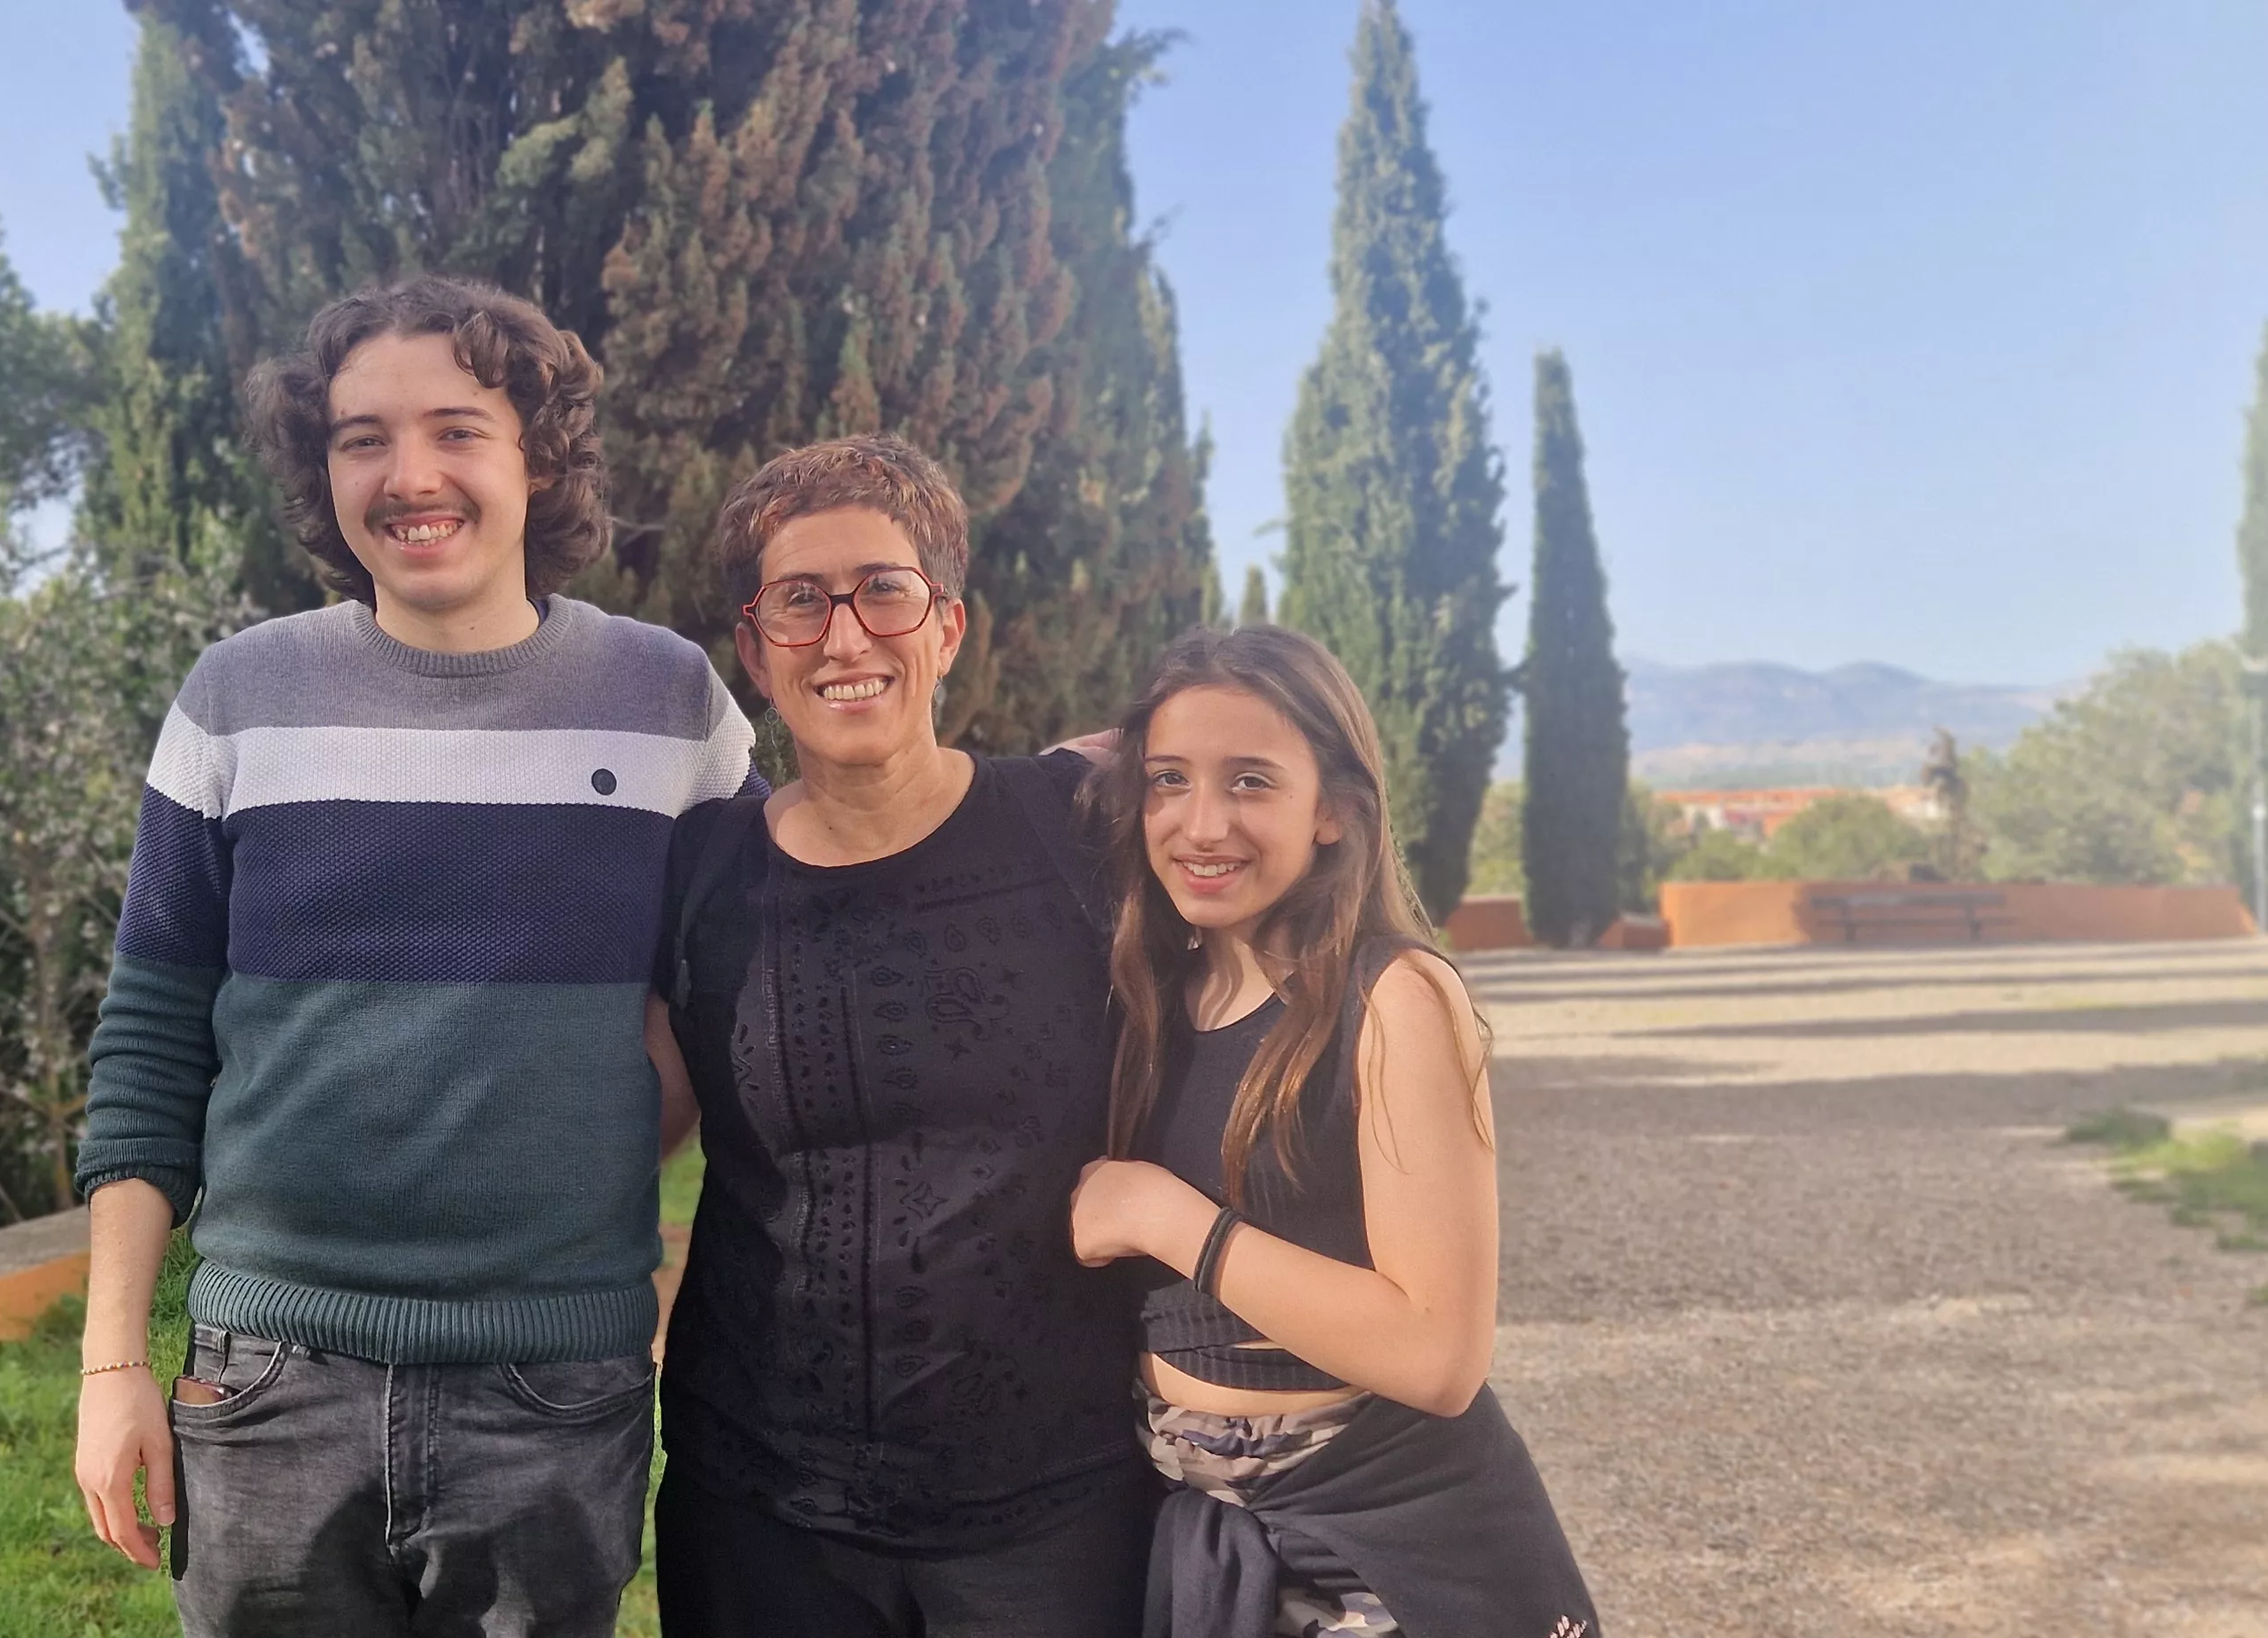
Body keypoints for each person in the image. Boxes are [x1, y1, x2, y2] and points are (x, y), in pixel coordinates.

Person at [66, 275, 758, 1637]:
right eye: (361, 437)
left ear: (538, 456)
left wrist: (596, 1112)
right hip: (264, 1384)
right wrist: (110, 1367)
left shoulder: (675, 705)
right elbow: (149, 1048)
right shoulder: (235, 699)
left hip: (554, 1387)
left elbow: (735, 1015)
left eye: (457, 428)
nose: (408, 474)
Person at [651, 434, 1154, 1638]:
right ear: (756, 648)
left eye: (885, 590)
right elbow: (624, 1108)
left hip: (1051, 1511)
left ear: (947, 628)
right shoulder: (701, 872)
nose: (845, 634)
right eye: (799, 601)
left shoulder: (1077, 834)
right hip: (763, 1512)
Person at [1065, 625, 1598, 1637]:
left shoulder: (1394, 997)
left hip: (1395, 1551)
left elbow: (1438, 1355)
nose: (1200, 822)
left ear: (1335, 815)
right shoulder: (1148, 997)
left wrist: (1167, 1217)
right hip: (1202, 1534)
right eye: (1168, 780)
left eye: (1252, 781)